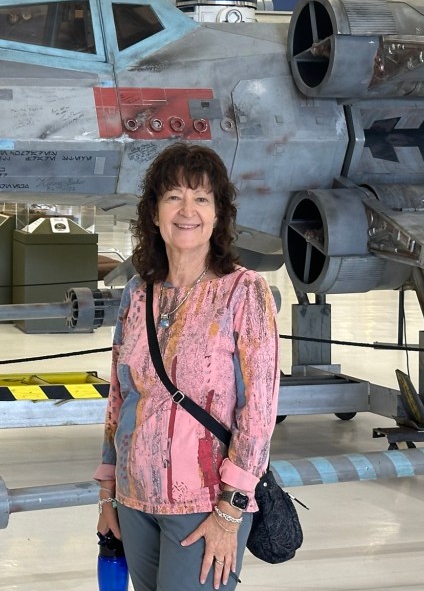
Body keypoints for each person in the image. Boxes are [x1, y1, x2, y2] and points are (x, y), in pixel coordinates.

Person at [95, 142, 280, 591]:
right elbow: (120, 398)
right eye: (173, 196)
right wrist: (107, 492)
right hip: (134, 500)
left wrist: (230, 512)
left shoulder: (244, 292)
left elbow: (259, 412)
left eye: (201, 198)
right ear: (154, 212)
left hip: (205, 504)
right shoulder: (138, 292)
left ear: (218, 215)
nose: (187, 210)